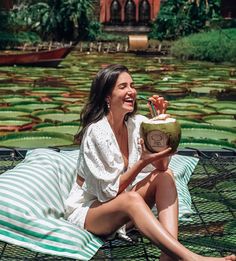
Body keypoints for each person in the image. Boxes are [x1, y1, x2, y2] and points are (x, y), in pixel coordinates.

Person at [65, 64, 235, 261]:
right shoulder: (97, 132)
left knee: (165, 176)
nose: (131, 91)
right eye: (123, 87)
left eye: (132, 85)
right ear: (107, 96)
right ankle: (191, 258)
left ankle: (167, 256)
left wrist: (159, 125)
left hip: (121, 208)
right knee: (131, 199)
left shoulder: (136, 124)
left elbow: (162, 167)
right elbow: (107, 193)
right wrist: (141, 162)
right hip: (90, 212)